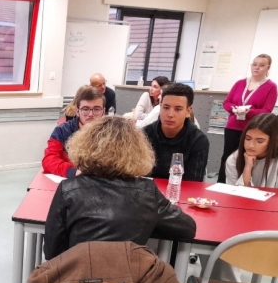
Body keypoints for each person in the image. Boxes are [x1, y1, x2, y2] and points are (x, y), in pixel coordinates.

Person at [44, 116, 196, 260]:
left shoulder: (69, 189)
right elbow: (187, 229)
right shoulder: (147, 192)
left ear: (85, 147)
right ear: (137, 151)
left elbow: (51, 251)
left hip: (75, 282)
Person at [217, 54, 278, 183]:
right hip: (233, 126)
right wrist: (234, 109)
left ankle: (247, 184)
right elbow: (227, 102)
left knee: (251, 157)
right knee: (228, 157)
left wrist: (248, 112)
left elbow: (267, 110)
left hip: (253, 129)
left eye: (262, 65)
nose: (257, 68)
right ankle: (222, 185)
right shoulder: (240, 83)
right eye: (254, 64)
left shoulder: (271, 87)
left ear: (268, 68)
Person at [143, 83, 209, 182]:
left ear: (188, 111)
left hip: (180, 193)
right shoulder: (144, 134)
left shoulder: (198, 140)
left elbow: (193, 183)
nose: (170, 114)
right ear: (160, 107)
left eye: (178, 109)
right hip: (147, 191)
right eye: (166, 107)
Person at [42, 86, 105, 178]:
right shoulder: (62, 131)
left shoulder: (111, 133)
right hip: (72, 180)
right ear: (77, 111)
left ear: (103, 111)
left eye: (96, 109)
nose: (91, 114)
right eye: (85, 109)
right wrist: (73, 172)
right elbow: (49, 160)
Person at [225, 113, 278, 187]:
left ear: (274, 141)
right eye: (248, 138)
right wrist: (247, 168)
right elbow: (233, 192)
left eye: (260, 141)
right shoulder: (234, 158)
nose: (251, 145)